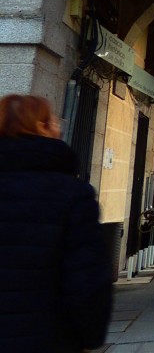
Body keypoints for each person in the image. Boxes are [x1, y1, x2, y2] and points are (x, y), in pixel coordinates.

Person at [0, 93, 113, 352]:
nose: (59, 126)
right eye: (53, 121)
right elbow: (86, 280)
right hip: (46, 337)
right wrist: (89, 337)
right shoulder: (71, 194)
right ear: (40, 128)